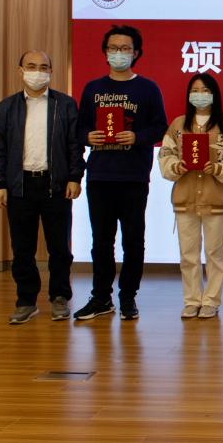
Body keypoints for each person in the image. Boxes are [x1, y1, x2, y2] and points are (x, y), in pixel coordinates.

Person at [74, 25, 167, 321]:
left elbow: (160, 127)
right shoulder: (93, 88)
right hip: (100, 175)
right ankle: (101, 297)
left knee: (133, 241)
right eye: (113, 48)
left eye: (125, 48)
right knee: (101, 241)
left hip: (133, 176)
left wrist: (137, 137)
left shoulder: (148, 88)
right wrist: (88, 136)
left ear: (136, 53)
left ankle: (128, 297)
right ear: (105, 52)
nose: (119, 53)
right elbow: (79, 127)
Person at [0, 50, 84, 324]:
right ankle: (26, 301)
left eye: (43, 67)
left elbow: (75, 145)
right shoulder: (7, 107)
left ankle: (59, 297)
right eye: (31, 66)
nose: (37, 72)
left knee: (59, 248)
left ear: (51, 71)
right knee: (22, 249)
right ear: (20, 70)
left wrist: (75, 177)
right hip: (19, 186)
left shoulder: (65, 105)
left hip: (56, 184)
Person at [158, 74, 223, 319]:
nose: (200, 95)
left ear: (214, 94)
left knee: (216, 254)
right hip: (185, 200)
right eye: (195, 90)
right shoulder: (178, 125)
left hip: (216, 200)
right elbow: (165, 155)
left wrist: (217, 168)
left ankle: (211, 300)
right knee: (188, 255)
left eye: (205, 90)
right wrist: (176, 166)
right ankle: (192, 300)